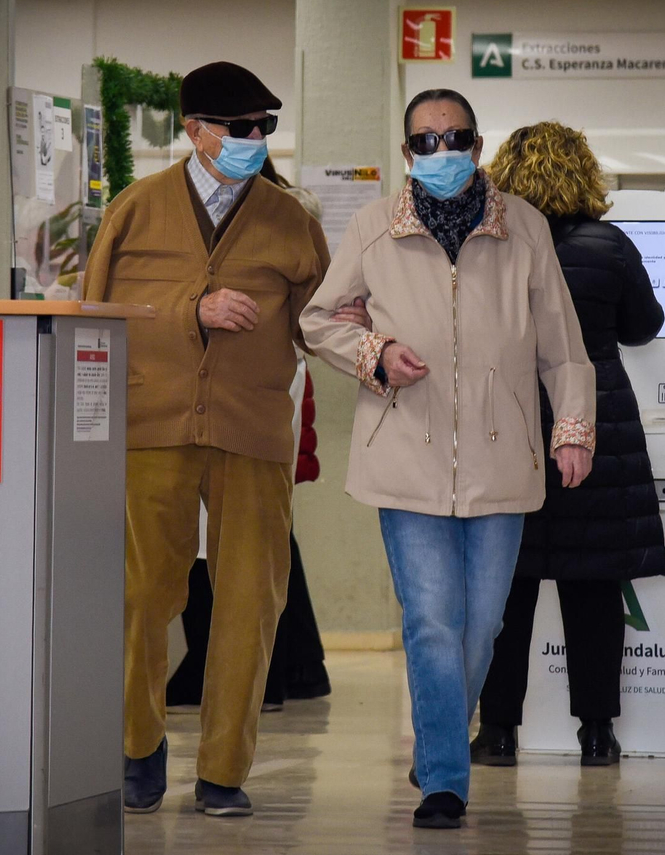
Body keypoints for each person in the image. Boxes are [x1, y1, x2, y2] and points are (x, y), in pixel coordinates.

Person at [301, 88, 596, 830]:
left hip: (503, 462)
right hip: (405, 453)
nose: (442, 151)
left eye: (455, 136)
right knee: (432, 619)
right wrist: (374, 352)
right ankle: (443, 776)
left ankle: (438, 738)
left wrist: (573, 429)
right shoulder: (374, 227)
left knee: (484, 625)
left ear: (476, 143)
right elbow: (318, 320)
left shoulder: (523, 227)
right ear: (408, 154)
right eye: (426, 141)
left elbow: (564, 349)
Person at [81, 60, 330, 818]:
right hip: (150, 427)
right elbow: (97, 313)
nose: (257, 140)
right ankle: (137, 744)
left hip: (253, 432)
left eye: (266, 128)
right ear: (193, 130)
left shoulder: (292, 221)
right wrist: (192, 305)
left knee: (253, 598)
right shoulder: (136, 210)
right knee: (141, 593)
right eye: (241, 128)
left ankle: (224, 767)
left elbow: (325, 319)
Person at [466, 121, 665, 769]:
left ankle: (497, 733)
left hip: (510, 422)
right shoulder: (610, 246)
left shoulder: (490, 243)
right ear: (584, 171)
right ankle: (597, 733)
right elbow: (646, 325)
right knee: (593, 589)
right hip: (594, 424)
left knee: (507, 587)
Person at [166, 352, 332, 713]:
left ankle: (260, 676)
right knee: (263, 540)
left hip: (245, 394)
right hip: (252, 388)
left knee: (240, 541)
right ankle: (290, 670)